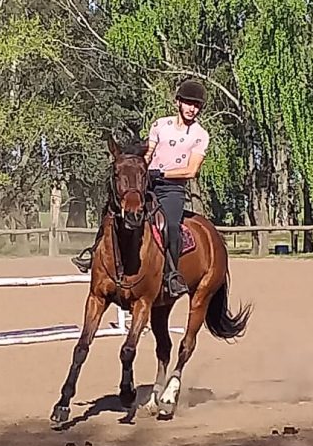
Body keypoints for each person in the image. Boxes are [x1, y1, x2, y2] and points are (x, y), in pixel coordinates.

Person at [71, 79, 210, 298]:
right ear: (178, 103)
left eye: (196, 105)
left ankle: (172, 275)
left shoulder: (200, 135)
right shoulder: (160, 125)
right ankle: (93, 252)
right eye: (188, 103)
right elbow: (148, 152)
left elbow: (191, 171)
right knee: (111, 211)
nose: (192, 108)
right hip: (147, 182)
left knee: (170, 226)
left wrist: (162, 173)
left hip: (172, 189)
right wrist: (138, 169)